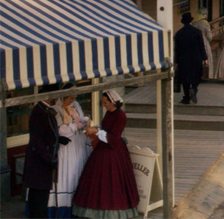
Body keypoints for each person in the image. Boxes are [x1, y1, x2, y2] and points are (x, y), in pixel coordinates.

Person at [72, 91, 139, 219]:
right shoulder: (109, 113)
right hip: (103, 148)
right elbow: (105, 129)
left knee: (112, 180)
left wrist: (96, 131)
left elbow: (113, 137)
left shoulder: (121, 116)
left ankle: (112, 211)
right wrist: (96, 129)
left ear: (113, 102)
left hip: (114, 150)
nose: (104, 105)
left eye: (105, 103)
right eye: (103, 102)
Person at [48, 84, 92, 219]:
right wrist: (75, 126)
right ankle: (62, 208)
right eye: (70, 98)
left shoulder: (75, 105)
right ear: (63, 96)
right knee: (66, 173)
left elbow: (80, 118)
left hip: (77, 144)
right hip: (65, 148)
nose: (72, 100)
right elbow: (60, 130)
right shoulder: (56, 109)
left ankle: (77, 205)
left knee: (76, 172)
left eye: (74, 97)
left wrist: (84, 121)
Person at [24, 83, 63, 219]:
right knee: (39, 194)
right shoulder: (39, 111)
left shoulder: (45, 109)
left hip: (44, 158)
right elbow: (37, 139)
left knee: (41, 193)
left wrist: (59, 138)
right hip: (39, 160)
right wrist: (48, 158)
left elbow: (48, 133)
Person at [174, 12, 208, 104]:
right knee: (196, 75)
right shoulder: (197, 32)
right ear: (191, 21)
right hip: (196, 57)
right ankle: (194, 88)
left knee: (184, 78)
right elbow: (201, 46)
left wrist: (176, 61)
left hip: (183, 59)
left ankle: (186, 97)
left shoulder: (179, 33)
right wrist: (204, 58)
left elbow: (176, 49)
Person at [192, 7, 214, 79]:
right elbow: (209, 36)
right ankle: (206, 74)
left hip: (195, 42)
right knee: (205, 55)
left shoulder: (194, 23)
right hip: (204, 41)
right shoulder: (205, 23)